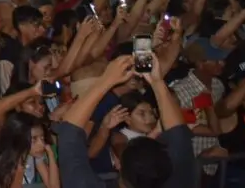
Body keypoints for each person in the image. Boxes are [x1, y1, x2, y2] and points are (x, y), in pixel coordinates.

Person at [54, 55, 196, 188]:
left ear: (118, 164)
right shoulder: (181, 181)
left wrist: (106, 80)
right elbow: (179, 135)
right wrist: (157, 81)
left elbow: (69, 132)